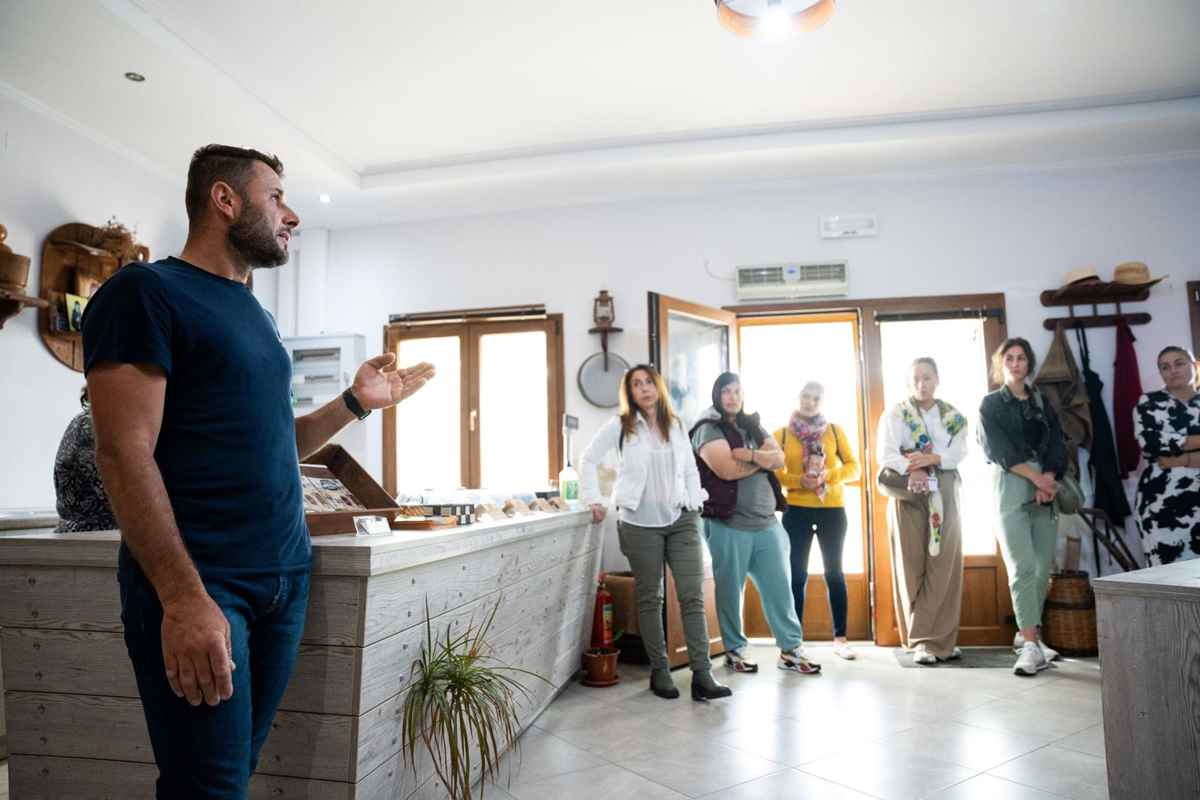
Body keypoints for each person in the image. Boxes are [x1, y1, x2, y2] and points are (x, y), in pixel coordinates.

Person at [82, 144, 435, 798]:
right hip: (206, 582)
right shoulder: (145, 292)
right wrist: (184, 599)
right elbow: (123, 453)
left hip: (283, 580)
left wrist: (355, 403)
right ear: (224, 199)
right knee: (208, 788)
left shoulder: (256, 314)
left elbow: (276, 442)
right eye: (276, 198)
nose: (290, 215)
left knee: (230, 777)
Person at [579, 365, 732, 701]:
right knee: (651, 598)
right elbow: (588, 459)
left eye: (649, 382)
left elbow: (690, 469)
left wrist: (695, 502)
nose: (644, 388)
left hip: (682, 518)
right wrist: (594, 499)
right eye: (636, 384)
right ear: (630, 392)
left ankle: (702, 675)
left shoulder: (675, 424)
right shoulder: (620, 426)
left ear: (658, 387)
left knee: (692, 596)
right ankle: (660, 672)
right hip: (638, 523)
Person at [691, 372, 820, 675]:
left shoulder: (752, 424)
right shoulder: (707, 428)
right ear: (716, 394)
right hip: (728, 524)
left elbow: (780, 459)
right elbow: (726, 469)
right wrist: (762, 461)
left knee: (780, 591)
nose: (733, 397)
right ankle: (735, 650)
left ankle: (791, 651)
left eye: (737, 391)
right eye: (726, 391)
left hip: (767, 524)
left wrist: (750, 456)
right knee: (729, 592)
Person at [978, 337, 1066, 677]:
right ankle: (1029, 646)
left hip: (1045, 484)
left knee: (1042, 569)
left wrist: (1049, 478)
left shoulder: (1043, 401)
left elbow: (1057, 443)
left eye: (1021, 358)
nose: (1016, 364)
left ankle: (1031, 636)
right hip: (1011, 483)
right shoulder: (990, 404)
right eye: (1009, 359)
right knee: (1022, 567)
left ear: (1029, 363)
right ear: (1001, 365)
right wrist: (1038, 479)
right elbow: (999, 450)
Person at [877, 358, 967, 665]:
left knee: (944, 563)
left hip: (944, 487)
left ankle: (941, 641)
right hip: (910, 489)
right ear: (908, 382)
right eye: (915, 378)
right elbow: (886, 454)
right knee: (911, 562)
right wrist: (912, 467)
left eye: (927, 377)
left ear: (937, 379)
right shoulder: (895, 413)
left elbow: (958, 452)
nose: (921, 384)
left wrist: (933, 460)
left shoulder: (953, 416)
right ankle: (920, 642)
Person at [773, 381, 860, 661]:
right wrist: (798, 480)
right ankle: (793, 641)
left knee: (834, 574)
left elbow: (854, 468)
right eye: (805, 396)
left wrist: (828, 476)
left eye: (815, 398)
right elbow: (772, 474)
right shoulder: (782, 435)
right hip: (796, 511)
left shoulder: (834, 431)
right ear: (798, 397)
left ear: (822, 402)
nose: (809, 402)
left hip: (831, 510)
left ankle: (841, 639)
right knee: (796, 576)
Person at [1134, 346, 1200, 566]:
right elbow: (1151, 443)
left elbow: (1166, 447)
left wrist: (1181, 458)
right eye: (1165, 367)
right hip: (1162, 501)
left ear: (1194, 365)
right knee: (1167, 573)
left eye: (1179, 363)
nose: (1173, 370)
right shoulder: (1149, 402)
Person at [53, 386, 117, 532]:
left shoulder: (94, 421)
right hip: (90, 532)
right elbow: (112, 493)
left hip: (98, 531)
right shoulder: (91, 425)